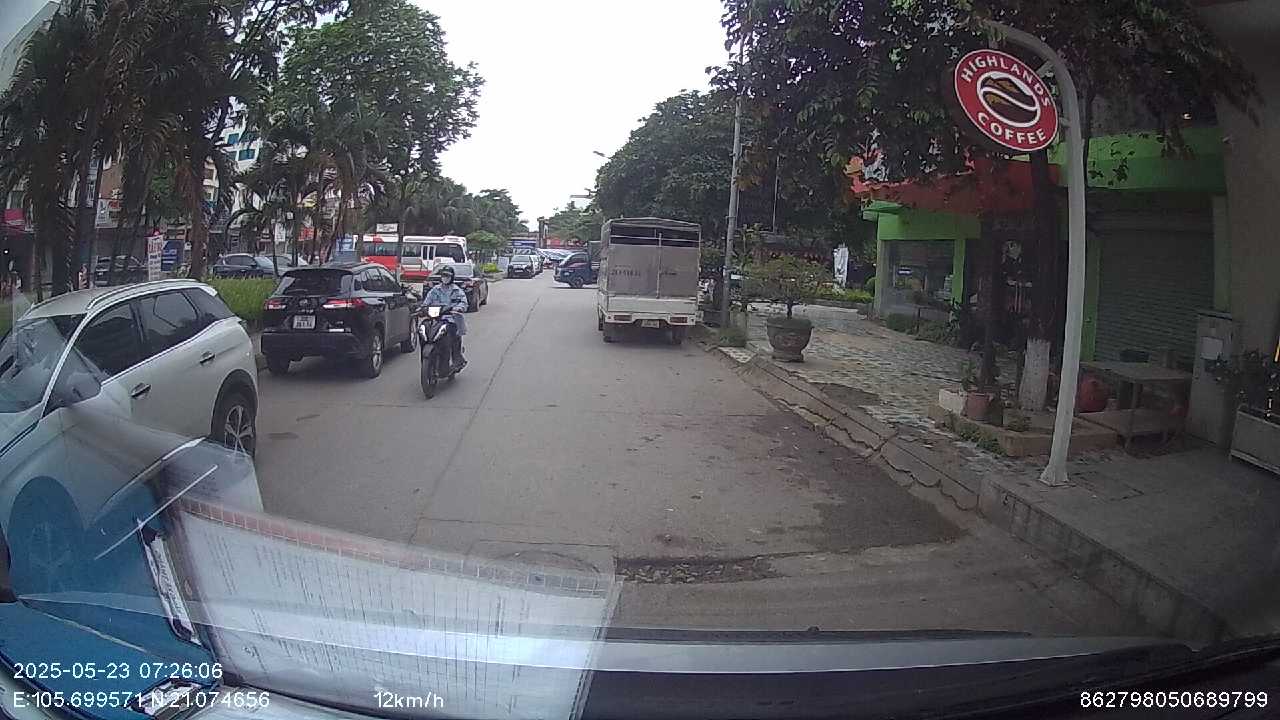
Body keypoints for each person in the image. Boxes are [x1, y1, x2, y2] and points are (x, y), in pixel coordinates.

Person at [421, 265, 468, 370]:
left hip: (451, 319)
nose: (445, 278)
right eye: (443, 275)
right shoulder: (435, 290)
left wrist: (458, 308)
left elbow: (464, 303)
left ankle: (456, 359)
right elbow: (426, 302)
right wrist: (422, 308)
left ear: (452, 277)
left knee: (453, 336)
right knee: (424, 329)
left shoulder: (457, 290)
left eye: (447, 276)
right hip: (435, 319)